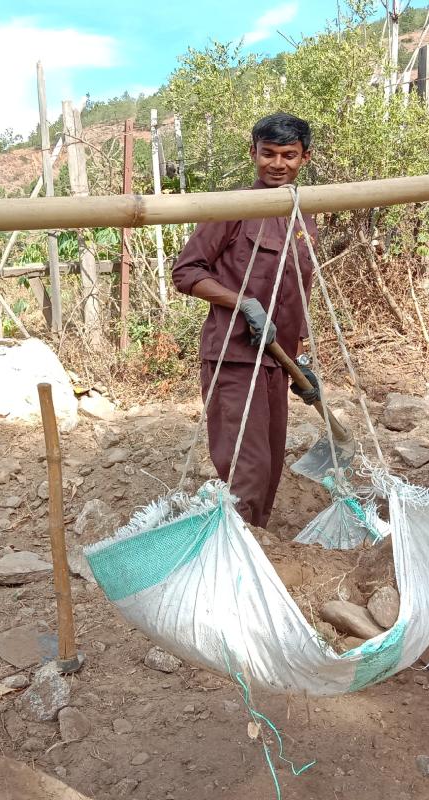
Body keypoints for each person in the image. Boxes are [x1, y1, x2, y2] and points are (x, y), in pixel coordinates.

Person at [172, 112, 320, 527]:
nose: (278, 164)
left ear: (304, 158)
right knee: (246, 469)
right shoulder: (233, 208)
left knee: (270, 467)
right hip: (234, 358)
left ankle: (256, 548)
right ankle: (233, 559)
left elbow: (299, 289)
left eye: (288, 155)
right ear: (252, 153)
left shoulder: (303, 214)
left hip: (279, 360)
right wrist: (242, 303)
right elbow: (186, 271)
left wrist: (301, 359)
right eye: (268, 154)